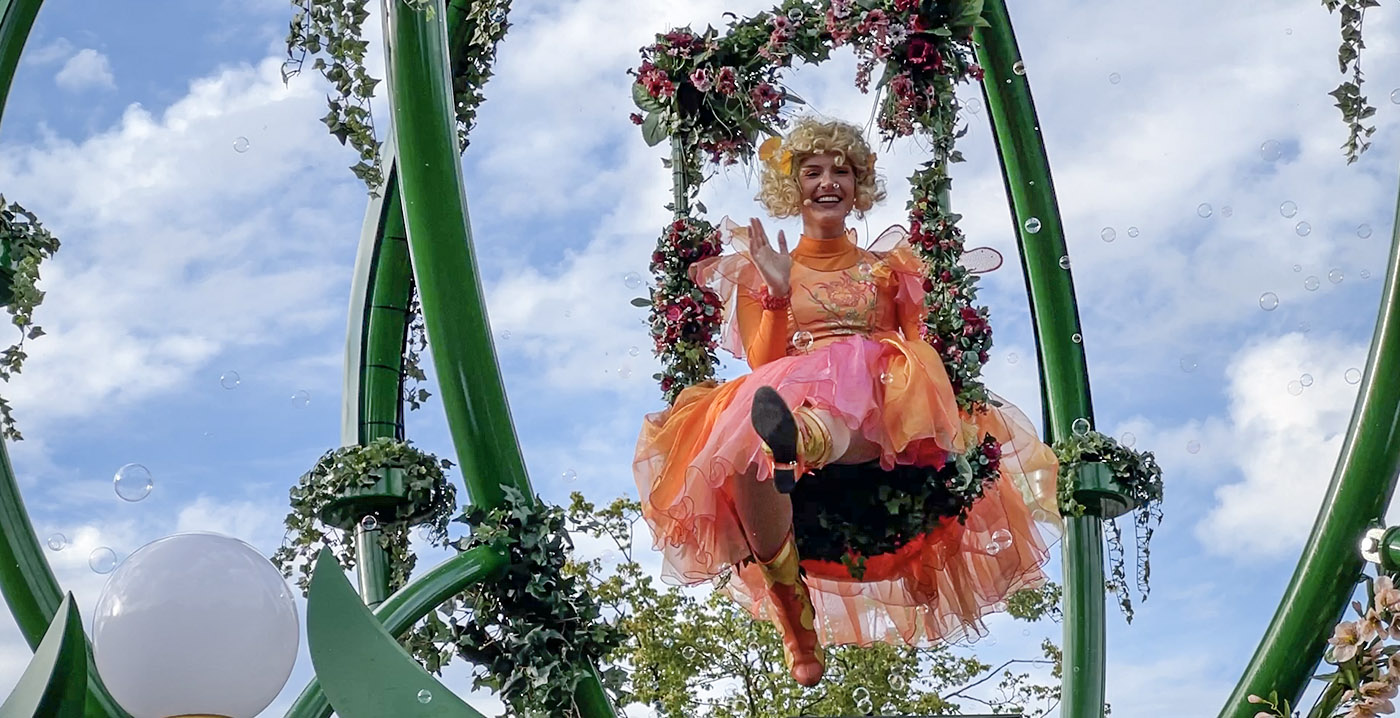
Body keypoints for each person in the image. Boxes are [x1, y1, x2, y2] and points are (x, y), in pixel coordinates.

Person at [633, 116, 1060, 687]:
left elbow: (921, 344)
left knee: (877, 373)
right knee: (741, 445)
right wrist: (779, 292)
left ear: (859, 186)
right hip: (789, 386)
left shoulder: (889, 269)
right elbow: (765, 359)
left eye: (843, 171)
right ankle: (795, 617)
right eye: (813, 172)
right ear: (795, 187)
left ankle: (800, 439)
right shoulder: (763, 268)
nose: (827, 181)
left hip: (884, 400)